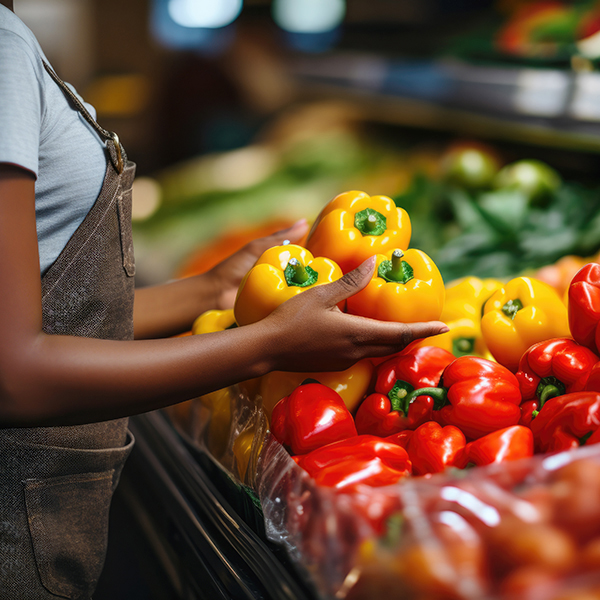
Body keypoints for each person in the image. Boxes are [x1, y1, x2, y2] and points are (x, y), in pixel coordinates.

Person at [0, 1, 448, 598]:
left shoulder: (12, 38)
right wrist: (266, 344)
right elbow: (13, 373)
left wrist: (211, 290)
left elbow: (48, 308)